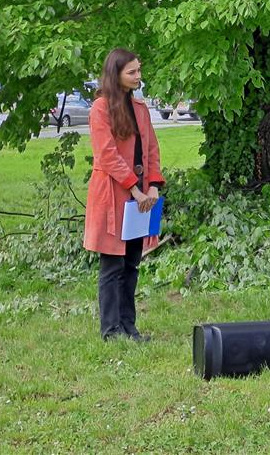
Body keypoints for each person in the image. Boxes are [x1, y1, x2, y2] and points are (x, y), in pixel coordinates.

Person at [84, 49, 165, 341]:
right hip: (113, 197)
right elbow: (107, 155)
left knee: (132, 263)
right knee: (112, 266)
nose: (138, 77)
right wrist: (134, 188)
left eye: (139, 71)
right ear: (115, 73)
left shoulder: (141, 109)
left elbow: (152, 149)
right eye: (132, 72)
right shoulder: (100, 108)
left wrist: (153, 185)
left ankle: (129, 327)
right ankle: (111, 330)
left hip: (141, 198)